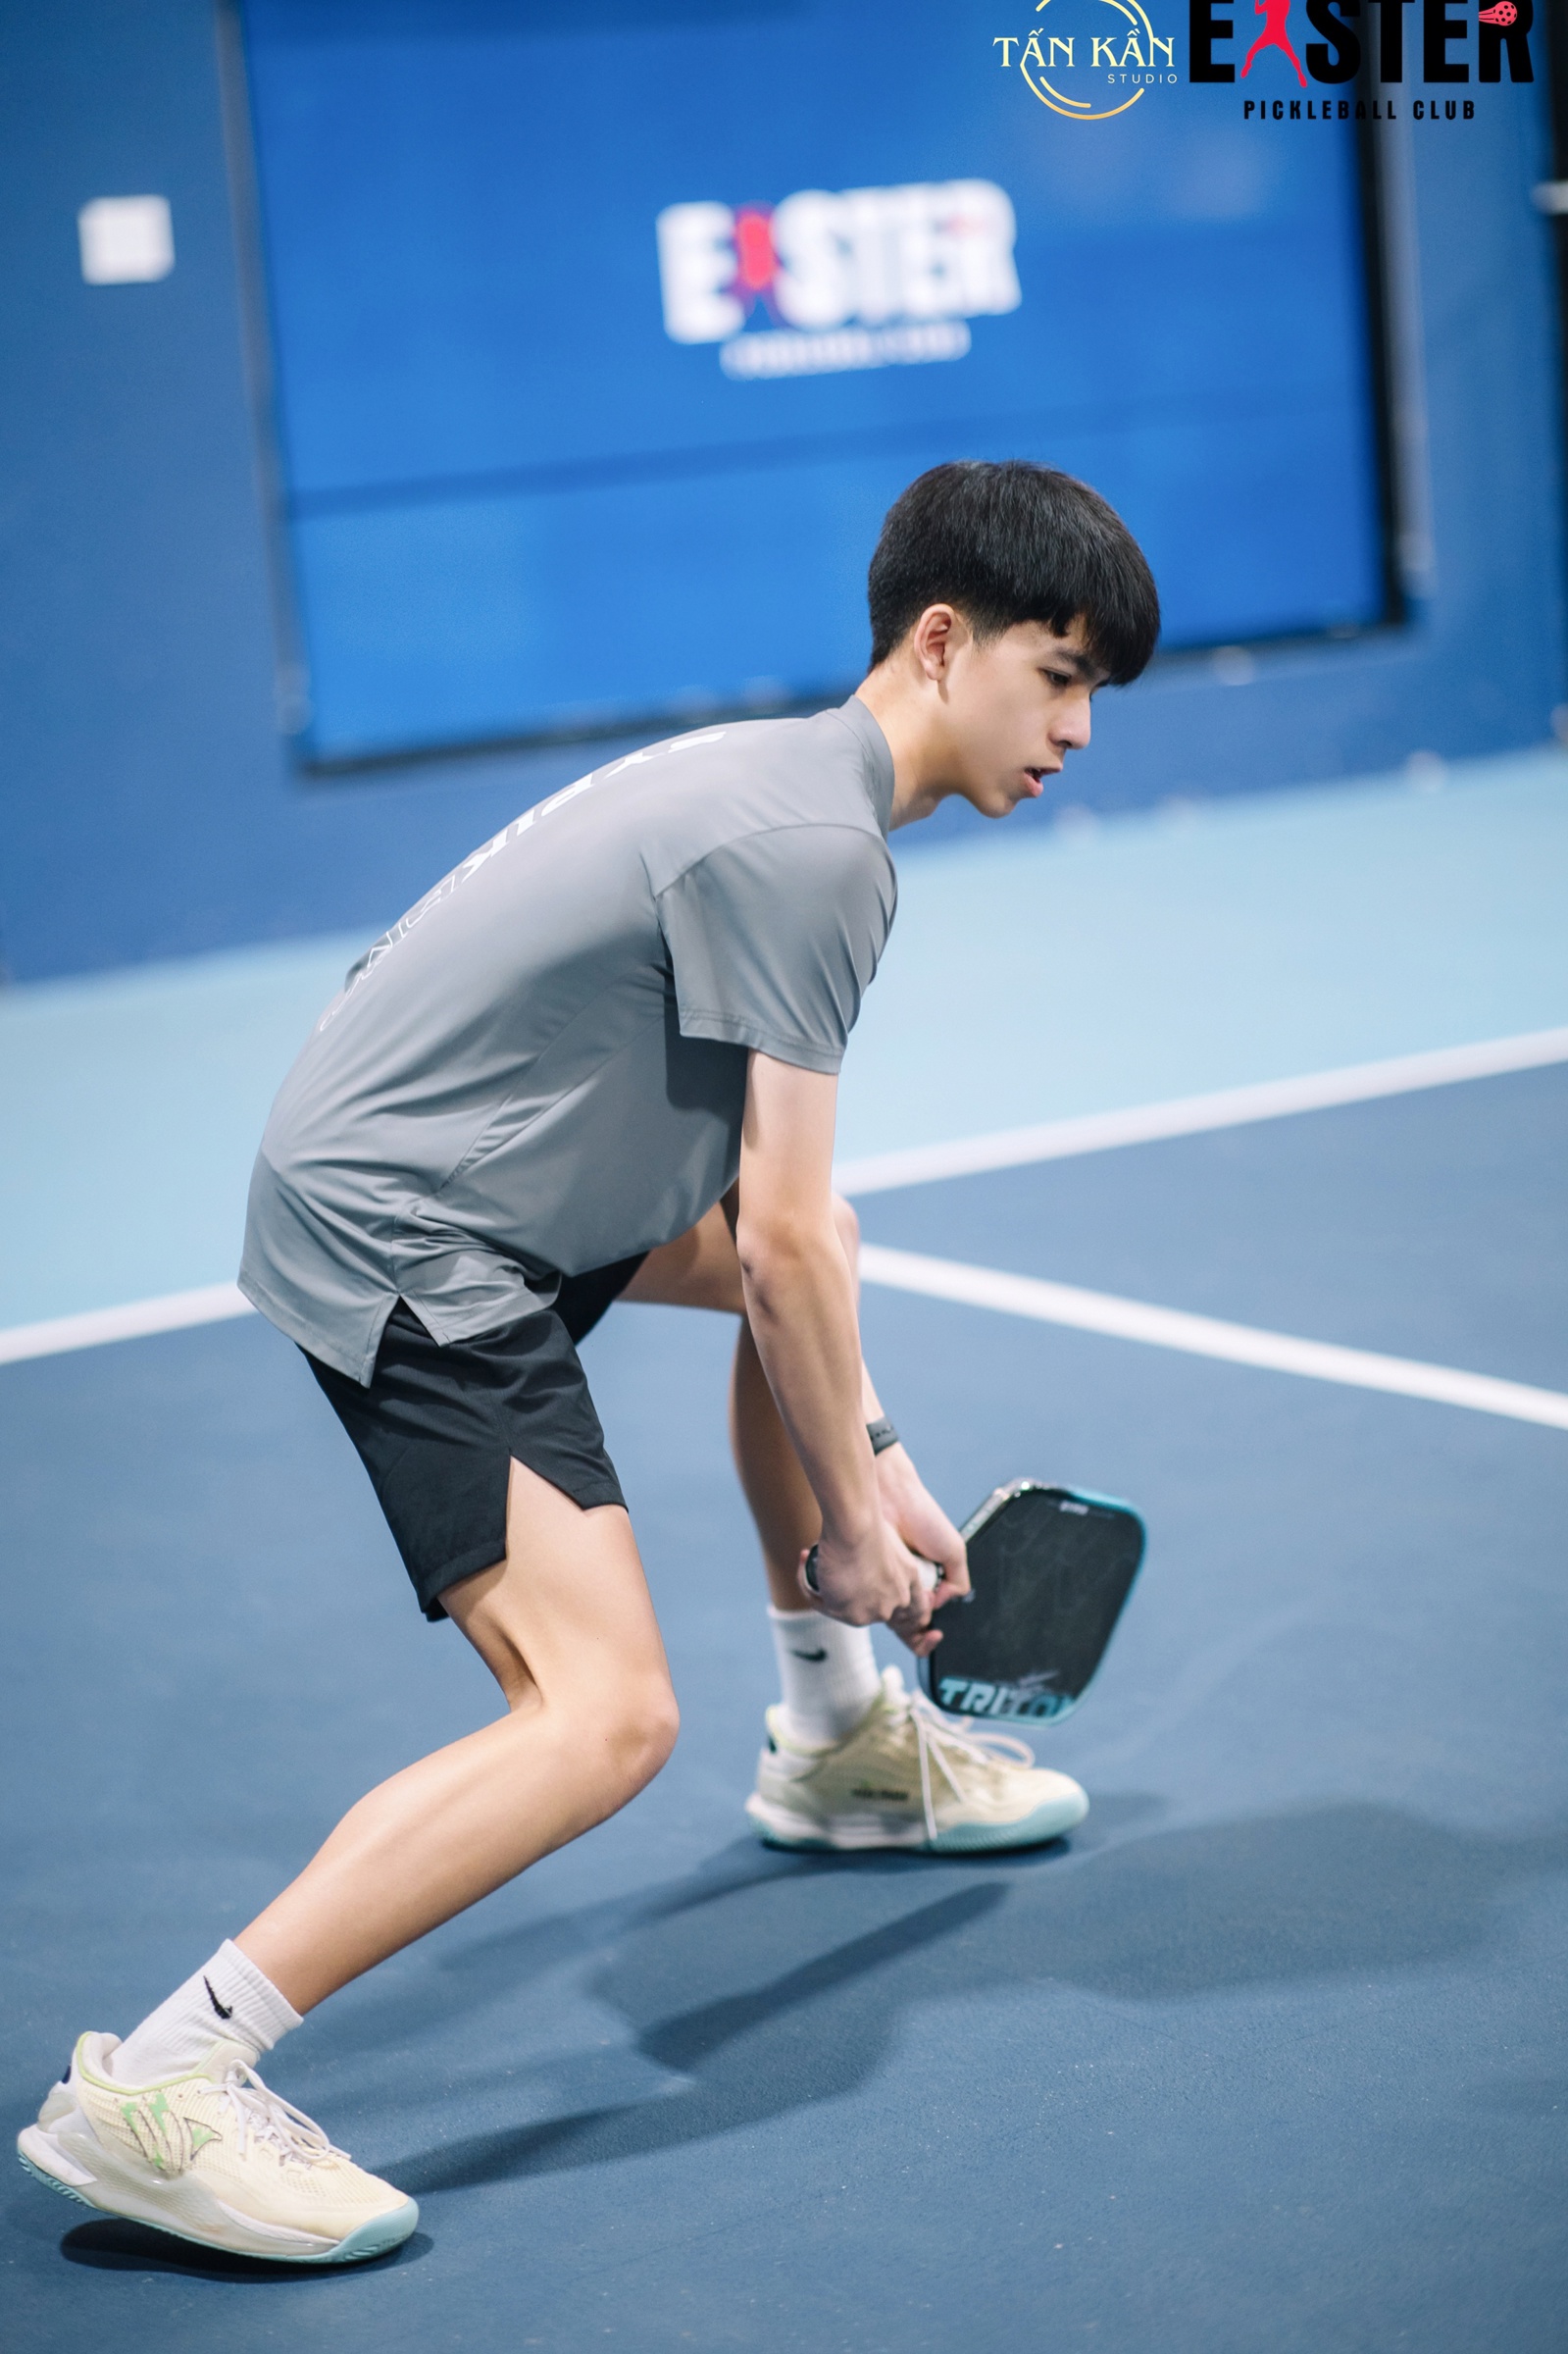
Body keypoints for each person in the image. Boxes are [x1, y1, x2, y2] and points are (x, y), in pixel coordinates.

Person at [18, 460, 1159, 2264]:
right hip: (417, 1228)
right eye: (1063, 675)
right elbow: (776, 1247)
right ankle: (165, 2080)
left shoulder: (785, 783)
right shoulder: (822, 854)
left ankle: (834, 1741)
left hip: (478, 1173)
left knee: (823, 1256)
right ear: (945, 643)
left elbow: (782, 1235)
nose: (1081, 730)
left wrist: (875, 1474)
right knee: (604, 1716)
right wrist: (855, 1535)